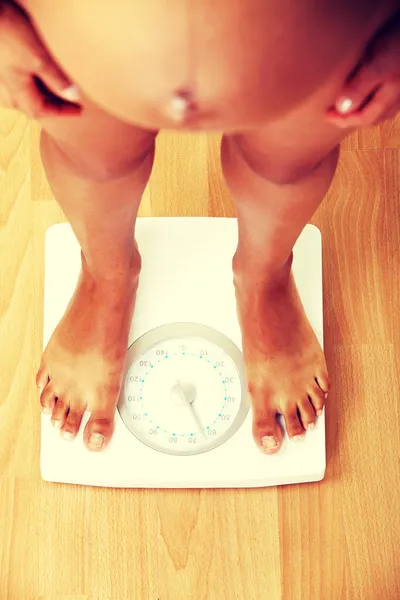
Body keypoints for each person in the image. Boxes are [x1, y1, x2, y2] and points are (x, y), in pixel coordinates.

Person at [1, 0, 399, 454]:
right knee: (93, 166)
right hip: (76, 51)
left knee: (285, 170)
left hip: (325, 54)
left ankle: (263, 280)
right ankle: (105, 276)